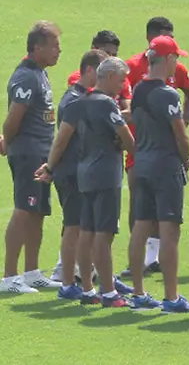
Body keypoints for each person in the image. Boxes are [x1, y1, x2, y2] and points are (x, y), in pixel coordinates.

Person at [37, 57, 135, 307]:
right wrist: (130, 147)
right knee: (104, 234)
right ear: (109, 76)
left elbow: (61, 139)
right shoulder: (107, 104)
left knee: (86, 232)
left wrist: (49, 166)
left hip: (84, 174)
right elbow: (127, 139)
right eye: (121, 80)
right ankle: (110, 292)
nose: (123, 86)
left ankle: (88, 290)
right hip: (106, 175)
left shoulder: (77, 103)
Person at [127, 36, 189, 312]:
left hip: (142, 163)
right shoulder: (167, 94)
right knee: (169, 231)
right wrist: (187, 158)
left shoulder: (138, 89)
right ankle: (171, 297)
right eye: (176, 58)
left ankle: (138, 293)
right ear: (168, 59)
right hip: (165, 167)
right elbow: (181, 136)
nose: (177, 63)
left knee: (141, 227)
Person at [1, 21, 62, 293]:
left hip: (41, 153)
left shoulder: (39, 73)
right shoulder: (27, 76)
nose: (59, 51)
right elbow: (13, 119)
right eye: (54, 46)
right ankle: (9, 277)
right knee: (24, 209)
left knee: (37, 211)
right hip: (28, 153)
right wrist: (8, 142)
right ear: (37, 48)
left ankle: (31, 272)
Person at [51, 49, 108, 299]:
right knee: (73, 227)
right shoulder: (74, 100)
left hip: (79, 171)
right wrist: (50, 167)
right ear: (89, 70)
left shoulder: (82, 97)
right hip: (71, 171)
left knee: (83, 227)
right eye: (101, 71)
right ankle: (67, 283)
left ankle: (92, 279)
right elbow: (62, 140)